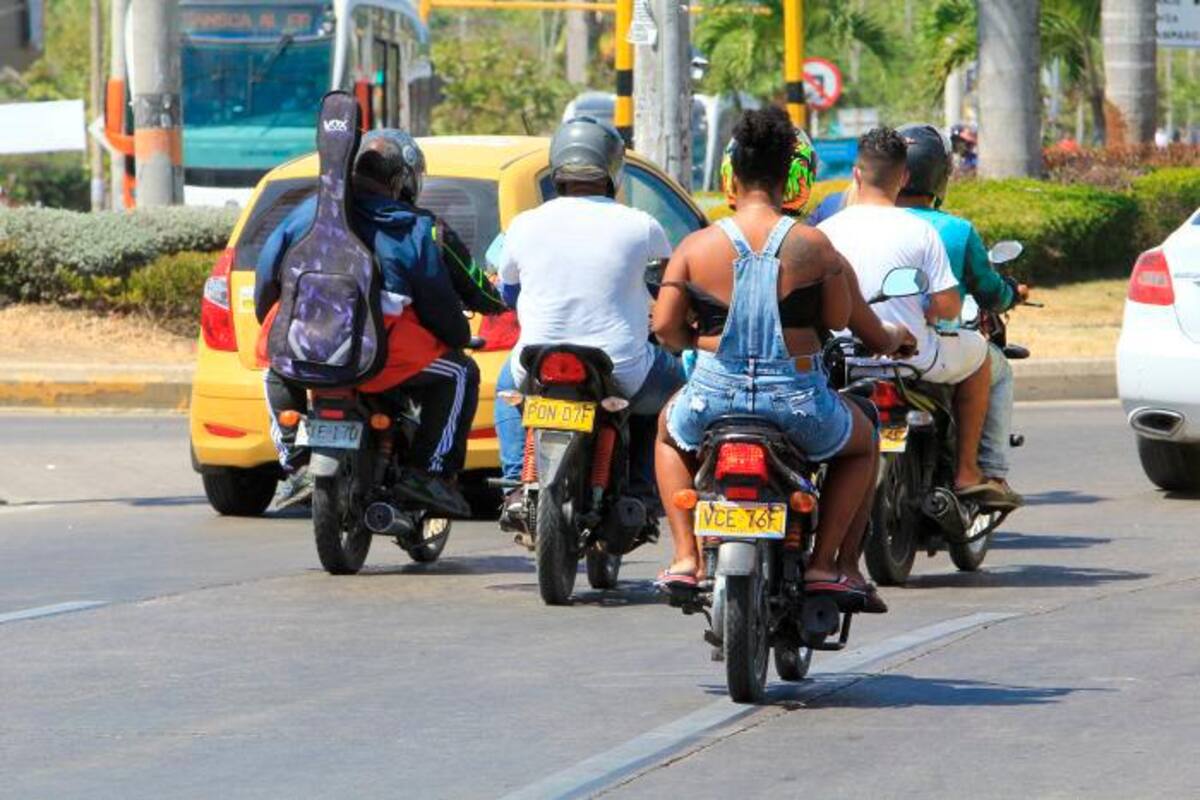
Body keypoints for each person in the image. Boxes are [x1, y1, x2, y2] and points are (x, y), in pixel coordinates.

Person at [652, 107, 912, 610]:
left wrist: (696, 340)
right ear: (787, 177)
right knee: (863, 442)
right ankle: (826, 565)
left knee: (666, 434)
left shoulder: (695, 247)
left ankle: (685, 557)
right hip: (798, 405)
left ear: (733, 175)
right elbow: (837, 317)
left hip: (712, 402)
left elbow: (665, 328)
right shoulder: (814, 246)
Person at [256, 130, 504, 516]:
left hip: (309, 348)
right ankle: (429, 474)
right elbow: (440, 301)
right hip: (381, 357)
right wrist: (461, 333)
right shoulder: (418, 227)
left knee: (274, 366)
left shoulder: (307, 212)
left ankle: (294, 458)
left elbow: (266, 278)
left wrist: (285, 328)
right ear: (401, 180)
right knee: (460, 374)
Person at [493, 116, 685, 523]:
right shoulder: (641, 225)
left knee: (506, 390)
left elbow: (508, 293)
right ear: (613, 170)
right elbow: (667, 289)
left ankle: (514, 487)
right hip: (623, 367)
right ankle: (641, 488)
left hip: (535, 361)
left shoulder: (524, 224)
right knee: (675, 392)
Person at [818, 127, 1001, 503]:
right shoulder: (922, 232)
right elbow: (948, 307)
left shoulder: (824, 232)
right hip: (910, 359)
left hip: (840, 362)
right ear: (902, 177)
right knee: (981, 354)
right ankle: (968, 471)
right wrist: (926, 311)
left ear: (856, 175)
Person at [894, 123, 1029, 507]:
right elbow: (987, 291)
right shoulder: (955, 230)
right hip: (929, 348)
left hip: (862, 347)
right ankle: (985, 470)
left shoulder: (852, 222)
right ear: (940, 176)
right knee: (993, 363)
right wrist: (1011, 294)